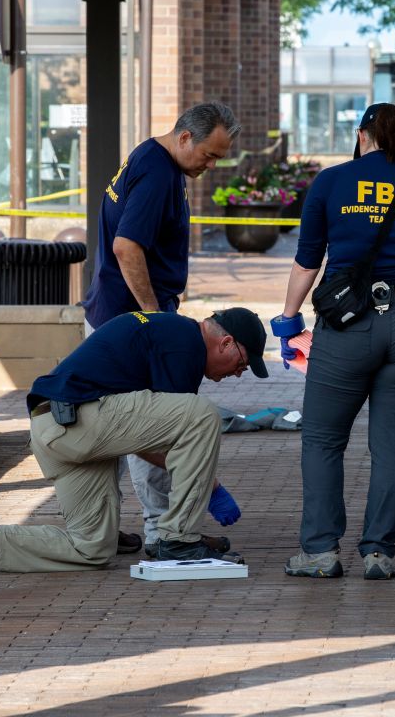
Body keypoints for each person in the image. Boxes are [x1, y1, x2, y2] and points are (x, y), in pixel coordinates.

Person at [0, 308, 268, 576]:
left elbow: (148, 440)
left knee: (91, 548)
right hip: (80, 420)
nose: (237, 373)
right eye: (241, 364)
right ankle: (179, 539)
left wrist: (202, 480)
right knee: (203, 415)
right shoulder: (186, 344)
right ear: (225, 343)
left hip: (54, 427)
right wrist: (211, 487)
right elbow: (170, 439)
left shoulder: (168, 331)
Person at [271, 103, 395, 580]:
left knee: (322, 437)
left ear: (362, 135)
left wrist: (289, 320)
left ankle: (319, 552)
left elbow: (308, 262)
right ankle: (378, 552)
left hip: (348, 324)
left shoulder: (332, 183)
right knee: (394, 443)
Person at [82, 101, 241, 558]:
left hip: (113, 315)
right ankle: (162, 531)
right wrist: (156, 317)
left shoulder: (151, 157)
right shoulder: (157, 173)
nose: (211, 167)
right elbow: (127, 245)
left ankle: (100, 528)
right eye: (209, 155)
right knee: (153, 424)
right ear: (185, 137)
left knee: (108, 428)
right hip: (129, 323)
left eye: (220, 159)